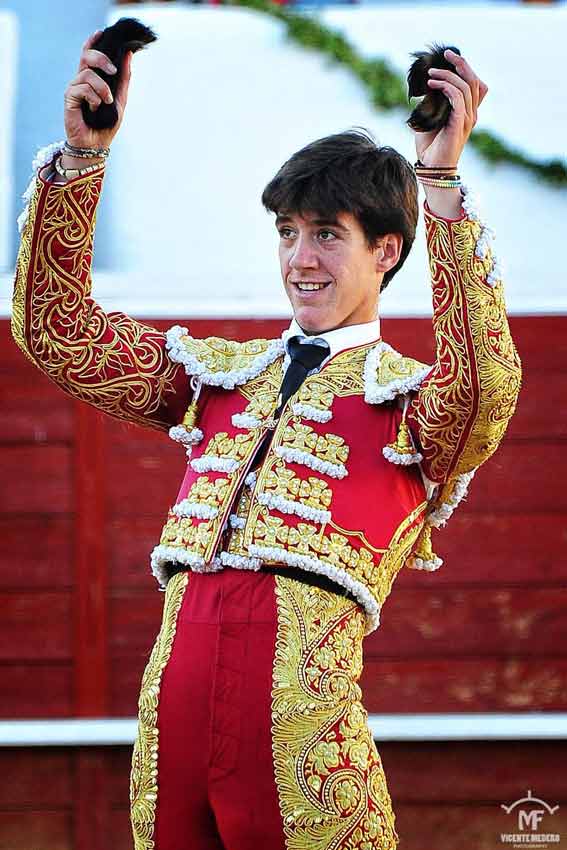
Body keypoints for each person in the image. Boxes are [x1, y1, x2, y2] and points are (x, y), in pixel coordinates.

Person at [11, 30, 521, 850]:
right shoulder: (220, 379)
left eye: (325, 234)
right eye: (287, 232)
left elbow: (488, 384)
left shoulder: (409, 406)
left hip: (303, 736)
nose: (299, 259)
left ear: (385, 251)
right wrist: (79, 164)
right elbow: (56, 332)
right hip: (170, 723)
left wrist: (440, 184)